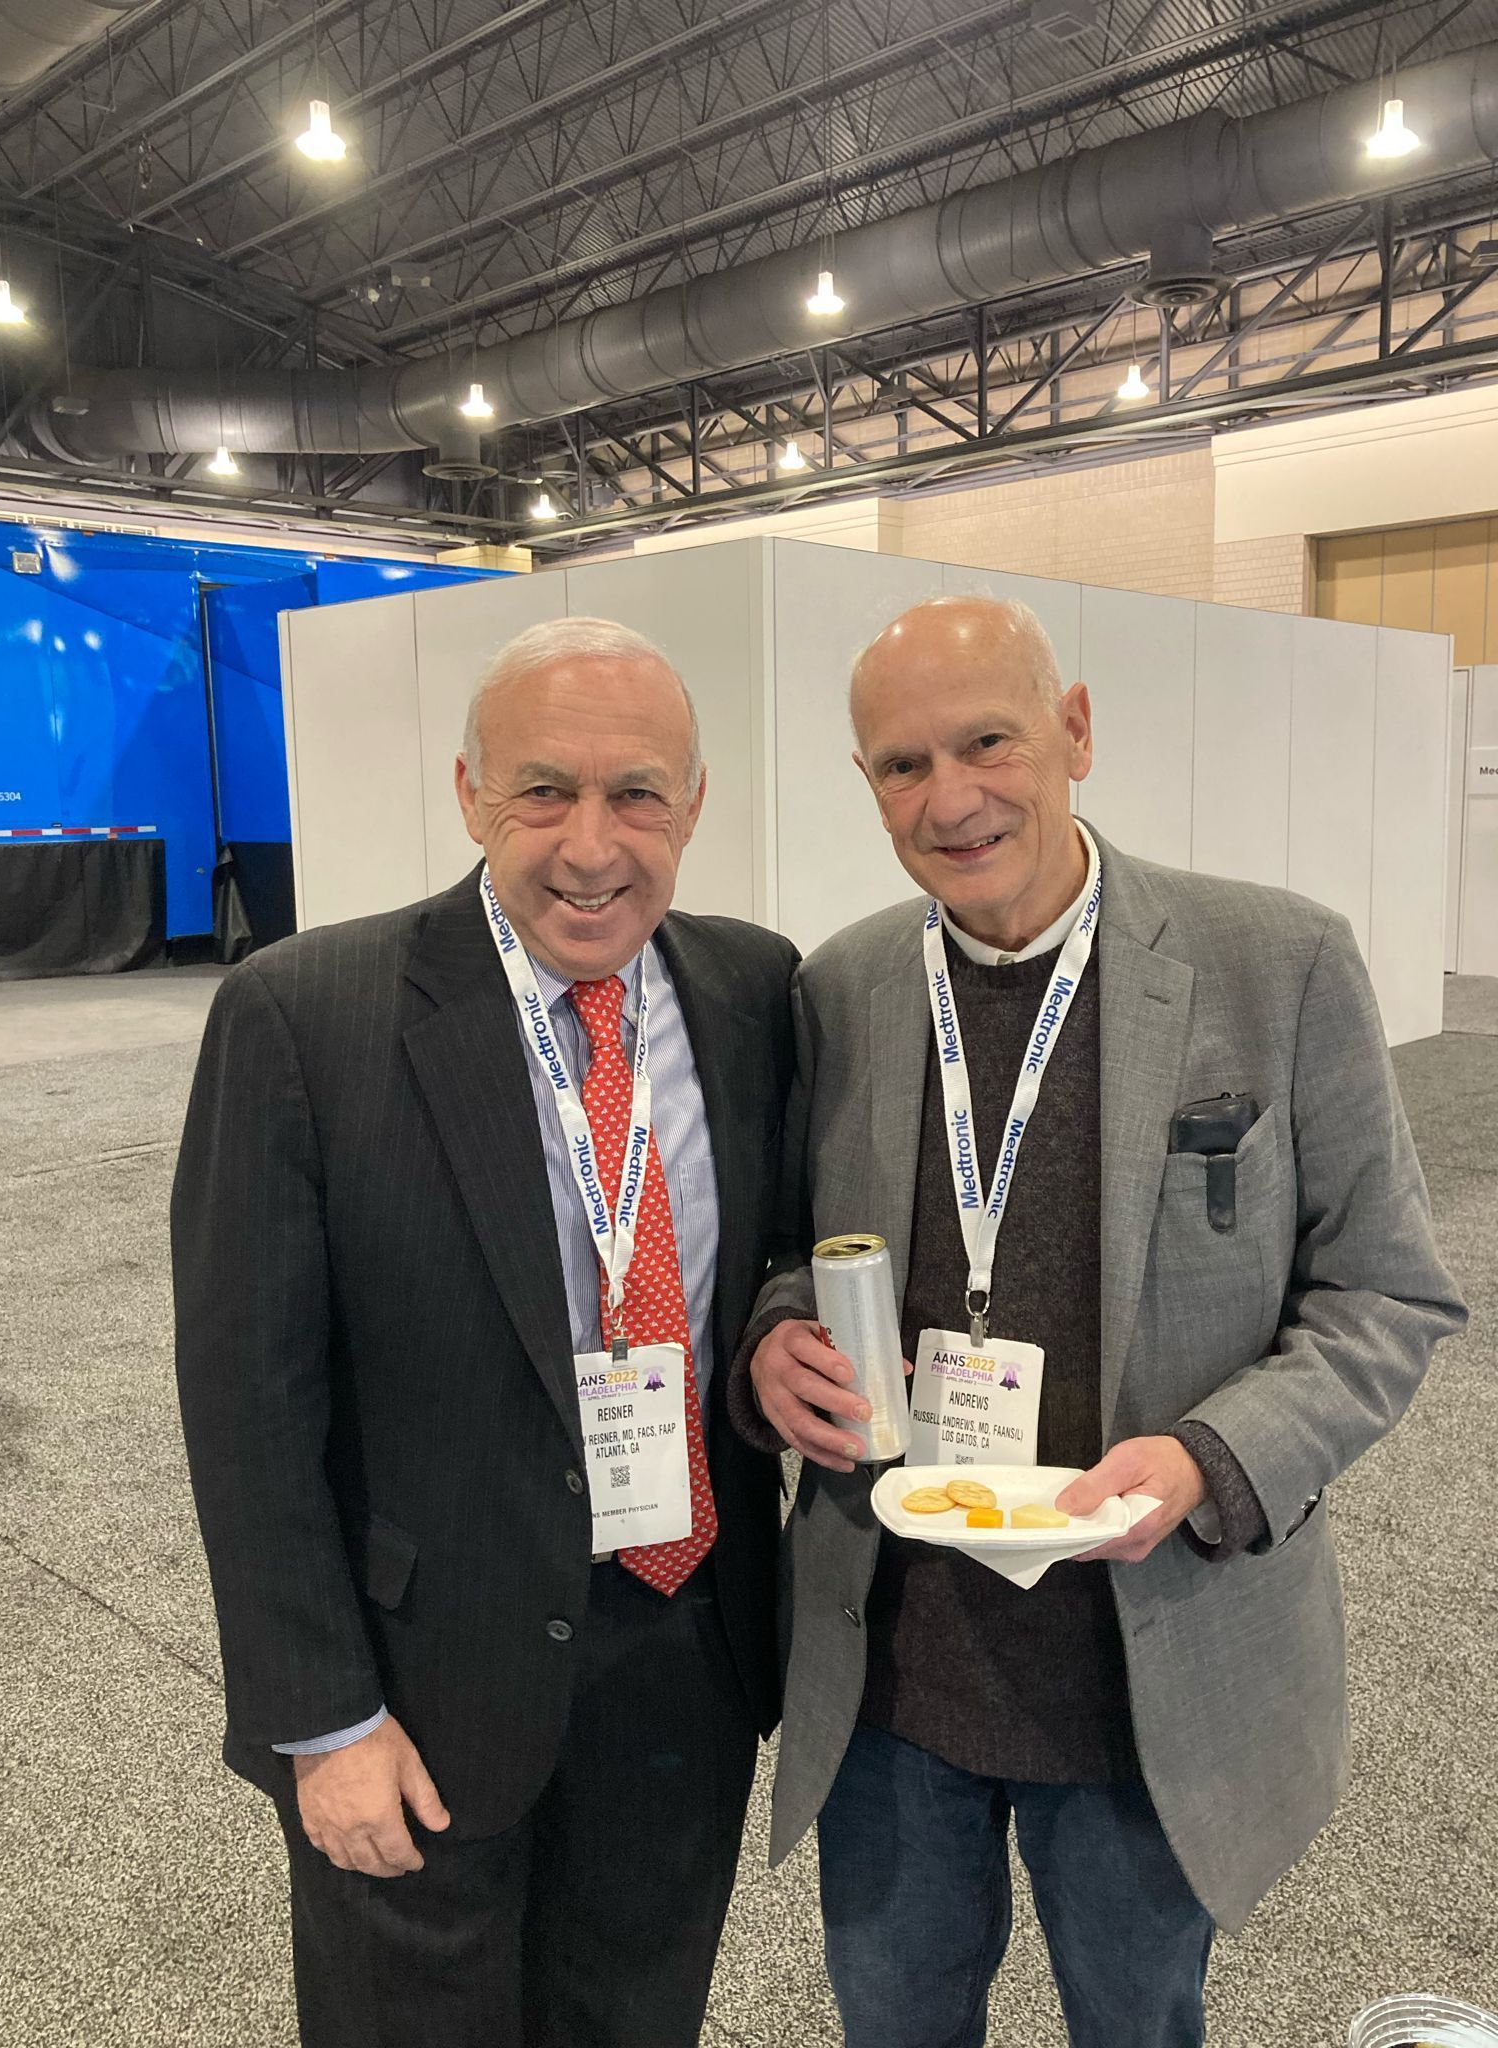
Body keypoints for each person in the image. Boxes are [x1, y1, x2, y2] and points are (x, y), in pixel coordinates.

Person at [732, 594, 1466, 2048]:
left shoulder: (1281, 964)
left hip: (1147, 1663)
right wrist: (774, 1336)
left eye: (987, 740)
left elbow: (1389, 1290)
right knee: (893, 2022)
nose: (951, 799)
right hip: (893, 1662)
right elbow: (782, 1249)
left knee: (1138, 2025)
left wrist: (1209, 1458)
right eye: (900, 764)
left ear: (1074, 731)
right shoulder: (843, 988)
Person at [172, 617, 797, 2048]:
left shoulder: (755, 991)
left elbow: (778, 1253)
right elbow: (246, 1410)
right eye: (543, 791)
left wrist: (783, 1325)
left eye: (638, 793)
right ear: (468, 795)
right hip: (417, 1687)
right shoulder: (304, 1017)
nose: (592, 843)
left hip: (684, 1657)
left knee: (637, 2018)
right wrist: (319, 1723)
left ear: (696, 804)